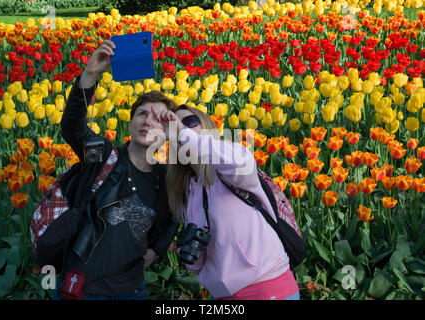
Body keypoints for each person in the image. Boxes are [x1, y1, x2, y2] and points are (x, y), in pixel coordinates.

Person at [33, 39, 179, 300]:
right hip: (85, 286)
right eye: (141, 114)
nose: (148, 121)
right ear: (132, 123)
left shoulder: (166, 177)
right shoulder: (103, 156)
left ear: (168, 132)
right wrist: (90, 74)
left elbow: (174, 217)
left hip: (132, 289)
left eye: (158, 118)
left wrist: (157, 250)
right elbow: (72, 128)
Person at [157, 104, 300, 300]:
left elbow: (241, 160)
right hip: (222, 295)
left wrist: (184, 134)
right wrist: (190, 251)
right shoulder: (188, 191)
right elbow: (202, 264)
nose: (182, 128)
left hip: (266, 286)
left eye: (189, 122)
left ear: (206, 128)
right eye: (174, 129)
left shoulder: (231, 172)